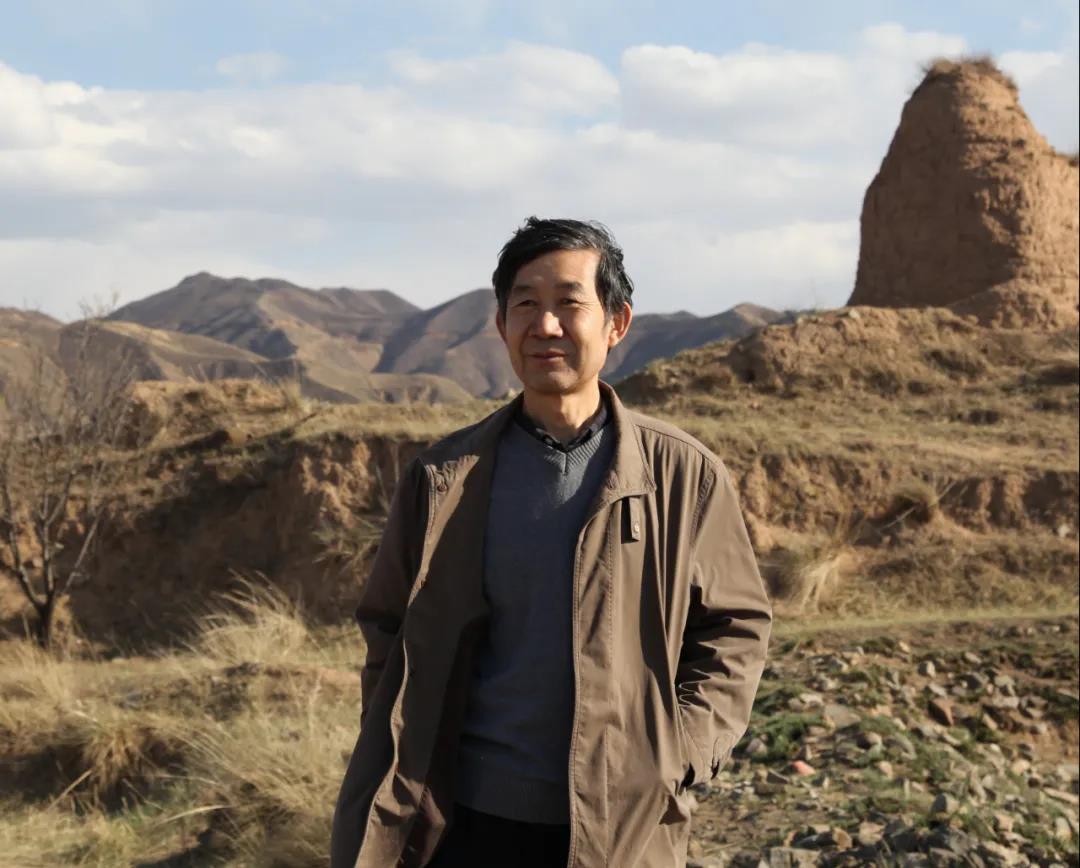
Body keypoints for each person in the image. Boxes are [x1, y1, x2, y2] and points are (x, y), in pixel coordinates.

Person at [330, 217, 772, 868]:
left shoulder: (682, 475)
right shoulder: (443, 477)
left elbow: (736, 628)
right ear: (501, 324)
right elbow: (388, 629)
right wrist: (401, 748)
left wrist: (679, 753)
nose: (545, 325)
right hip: (459, 822)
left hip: (622, 822)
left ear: (616, 323)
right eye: (526, 305)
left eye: (569, 303)